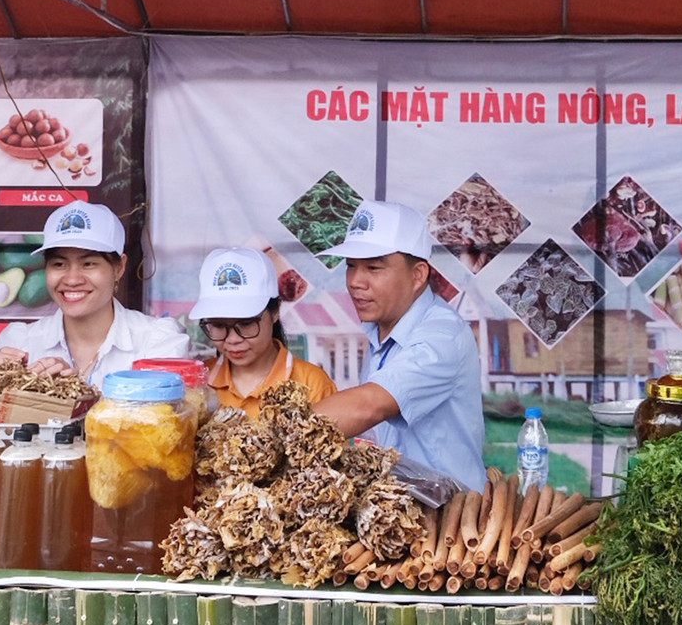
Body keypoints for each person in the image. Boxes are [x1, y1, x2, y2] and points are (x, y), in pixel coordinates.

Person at [312, 200, 486, 490]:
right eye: (351, 266)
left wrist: (273, 438)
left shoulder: (442, 337)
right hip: (399, 513)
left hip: (450, 521)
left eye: (374, 268)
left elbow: (369, 405)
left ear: (417, 275)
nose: (356, 281)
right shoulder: (379, 331)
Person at [0, 200, 189, 388]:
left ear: (119, 267)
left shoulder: (157, 341)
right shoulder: (20, 343)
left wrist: (74, 394)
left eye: (88, 264)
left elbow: (162, 416)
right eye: (59, 264)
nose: (72, 280)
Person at [189, 247, 336, 418]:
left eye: (246, 324)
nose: (233, 339)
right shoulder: (197, 384)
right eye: (219, 326)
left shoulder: (313, 385)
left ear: (275, 312)